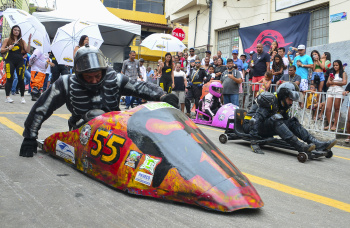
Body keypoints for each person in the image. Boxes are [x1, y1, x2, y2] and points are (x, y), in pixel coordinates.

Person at [19, 45, 179, 157]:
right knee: (93, 115)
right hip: (82, 132)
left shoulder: (115, 78)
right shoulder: (66, 83)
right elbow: (42, 107)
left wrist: (162, 96)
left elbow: (140, 87)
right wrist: (30, 137)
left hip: (116, 132)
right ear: (79, 73)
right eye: (89, 77)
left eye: (97, 76)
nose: (94, 81)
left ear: (104, 71)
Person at [242, 82, 337, 153]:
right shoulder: (270, 99)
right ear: (283, 96)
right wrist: (254, 142)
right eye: (290, 99)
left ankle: (317, 143)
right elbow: (255, 121)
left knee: (292, 121)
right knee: (276, 119)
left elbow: (286, 122)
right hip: (250, 126)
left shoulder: (283, 104)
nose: (291, 102)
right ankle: (300, 146)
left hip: (264, 125)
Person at [1, 25, 31, 103]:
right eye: (15, 30)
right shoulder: (7, 40)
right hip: (9, 61)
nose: (16, 31)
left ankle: (22, 97)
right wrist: (8, 48)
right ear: (12, 31)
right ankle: (8, 97)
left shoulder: (22, 41)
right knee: (9, 78)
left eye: (18, 30)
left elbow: (27, 51)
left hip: (20, 61)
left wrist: (29, 41)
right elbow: (1, 50)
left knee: (21, 79)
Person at [325, 60, 347, 131]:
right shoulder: (331, 73)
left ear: (340, 65)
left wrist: (333, 82)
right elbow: (327, 84)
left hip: (339, 91)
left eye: (336, 65)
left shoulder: (343, 73)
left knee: (337, 109)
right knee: (328, 108)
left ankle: (335, 125)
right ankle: (330, 124)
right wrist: (330, 81)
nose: (335, 67)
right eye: (334, 65)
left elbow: (344, 82)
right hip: (331, 90)